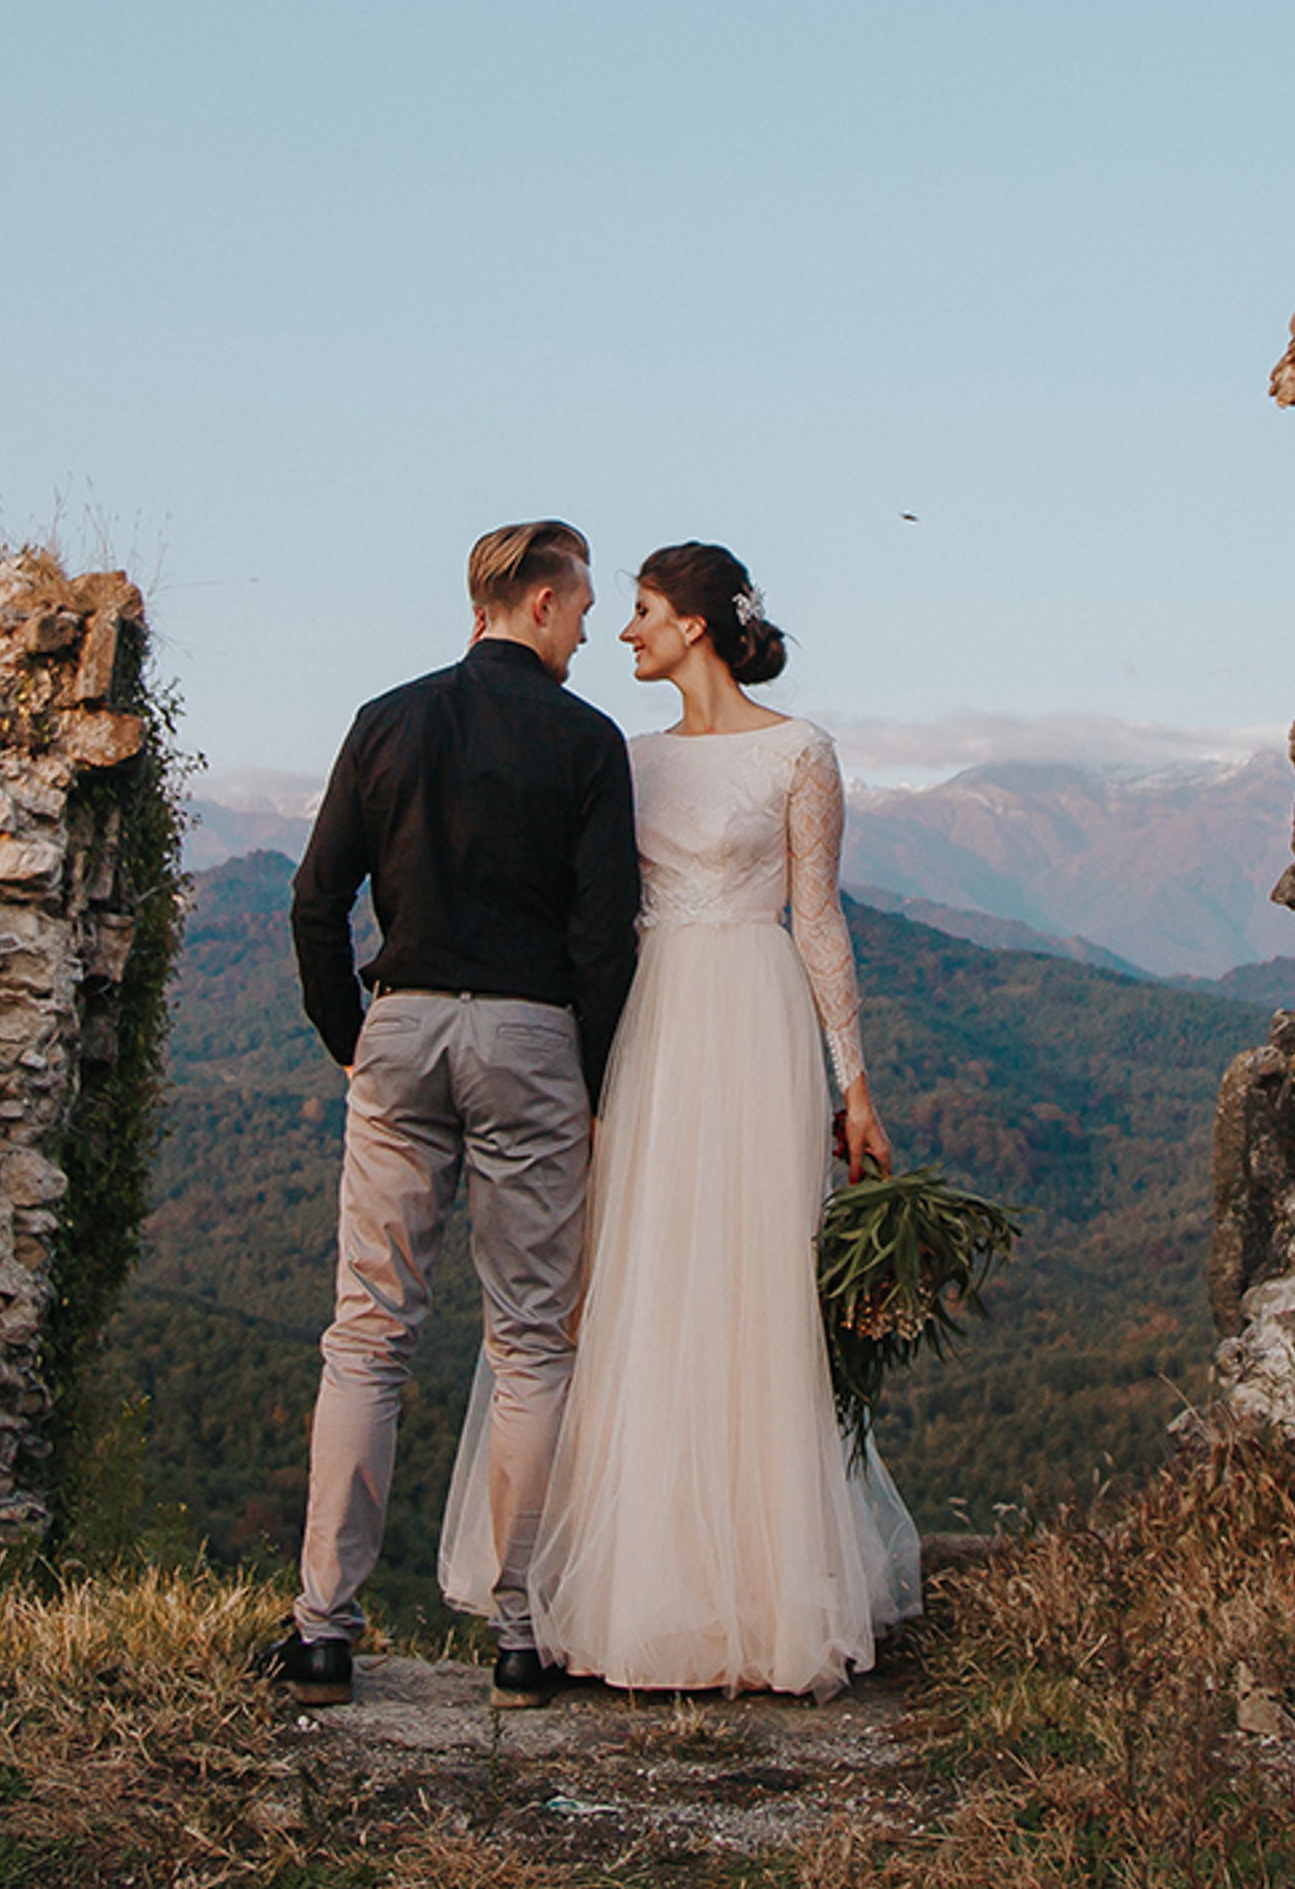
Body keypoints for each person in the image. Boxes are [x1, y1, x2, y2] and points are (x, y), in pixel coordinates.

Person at [440, 541, 921, 1698]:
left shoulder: (801, 752)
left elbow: (820, 921)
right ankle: (636, 1585)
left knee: (754, 1283)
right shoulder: (625, 757)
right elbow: (592, 916)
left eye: (644, 611)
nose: (624, 632)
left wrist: (852, 1084)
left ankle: (758, 1591)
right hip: (649, 1027)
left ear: (696, 625)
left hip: (757, 1025)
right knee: (638, 1277)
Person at [266, 520, 639, 1712]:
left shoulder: (386, 719)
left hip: (404, 1026)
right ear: (535, 602)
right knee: (531, 1338)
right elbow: (604, 935)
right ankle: (520, 1634)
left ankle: (324, 1629)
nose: (589, 625)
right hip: (531, 1035)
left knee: (368, 1335)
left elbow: (316, 902)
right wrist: (585, 1077)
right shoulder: (587, 741)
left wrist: (353, 1044)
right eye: (580, 603)